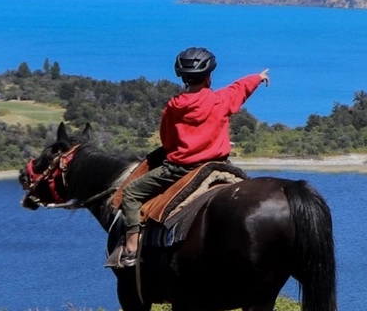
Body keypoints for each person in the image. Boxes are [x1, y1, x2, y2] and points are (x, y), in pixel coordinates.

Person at [110, 48, 268, 268]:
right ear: (209, 76)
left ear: (183, 78)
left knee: (131, 193)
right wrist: (258, 78)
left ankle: (131, 249)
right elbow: (239, 89)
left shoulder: (173, 108)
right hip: (217, 165)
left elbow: (167, 142)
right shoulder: (221, 100)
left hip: (180, 170)